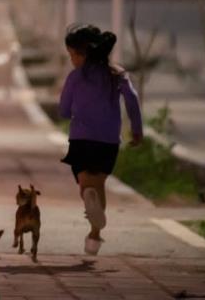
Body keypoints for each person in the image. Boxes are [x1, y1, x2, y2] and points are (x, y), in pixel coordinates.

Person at [57, 24, 142, 255]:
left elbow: (63, 110)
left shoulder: (75, 77)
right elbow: (132, 100)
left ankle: (87, 197)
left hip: (81, 139)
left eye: (72, 55)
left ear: (81, 53)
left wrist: (70, 111)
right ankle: (95, 235)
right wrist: (136, 129)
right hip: (108, 141)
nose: (71, 60)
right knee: (99, 183)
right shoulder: (116, 74)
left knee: (86, 185)